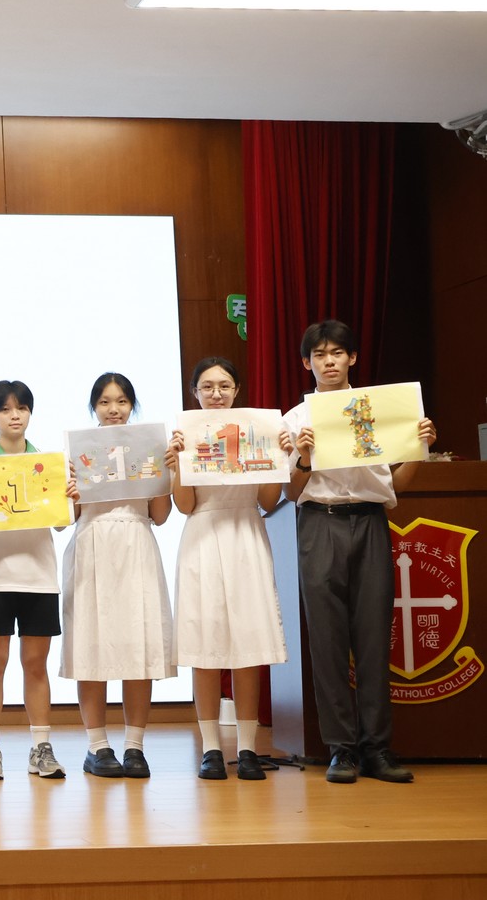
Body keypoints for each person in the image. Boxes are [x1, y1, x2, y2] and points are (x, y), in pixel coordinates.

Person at [282, 319, 437, 784]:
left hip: (370, 520)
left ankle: (377, 748)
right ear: (306, 363)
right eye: (319, 355)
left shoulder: (380, 411)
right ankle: (341, 749)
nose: (329, 362)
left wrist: (419, 448)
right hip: (319, 522)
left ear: (352, 358)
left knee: (372, 636)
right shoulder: (295, 419)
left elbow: (397, 486)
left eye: (337, 353)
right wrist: (303, 458)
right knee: (327, 639)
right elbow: (290, 493)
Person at [169, 357, 292, 781]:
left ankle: (247, 748)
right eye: (207, 387)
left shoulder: (258, 431)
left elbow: (269, 501)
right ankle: (210, 749)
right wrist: (177, 466)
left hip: (246, 533)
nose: (216, 393)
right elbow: (184, 506)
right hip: (202, 536)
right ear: (195, 393)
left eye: (224, 385)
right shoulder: (186, 436)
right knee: (203, 646)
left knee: (249, 647)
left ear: (237, 390)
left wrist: (280, 458)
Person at [60, 372, 175, 779]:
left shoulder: (150, 448)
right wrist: (67, 492)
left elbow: (160, 516)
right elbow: (66, 518)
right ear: (94, 407)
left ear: (132, 406)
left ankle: (134, 746)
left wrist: (164, 475)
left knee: (139, 647)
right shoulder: (76, 451)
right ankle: (97, 746)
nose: (114, 409)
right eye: (105, 402)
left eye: (122, 401)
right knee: (90, 646)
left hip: (136, 543)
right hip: (92, 545)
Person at [0, 380, 74, 781]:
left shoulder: (49, 464)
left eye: (21, 408)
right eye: (5, 409)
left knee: (36, 665)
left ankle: (41, 748)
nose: (14, 416)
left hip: (39, 577)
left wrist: (69, 497)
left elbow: (61, 524)